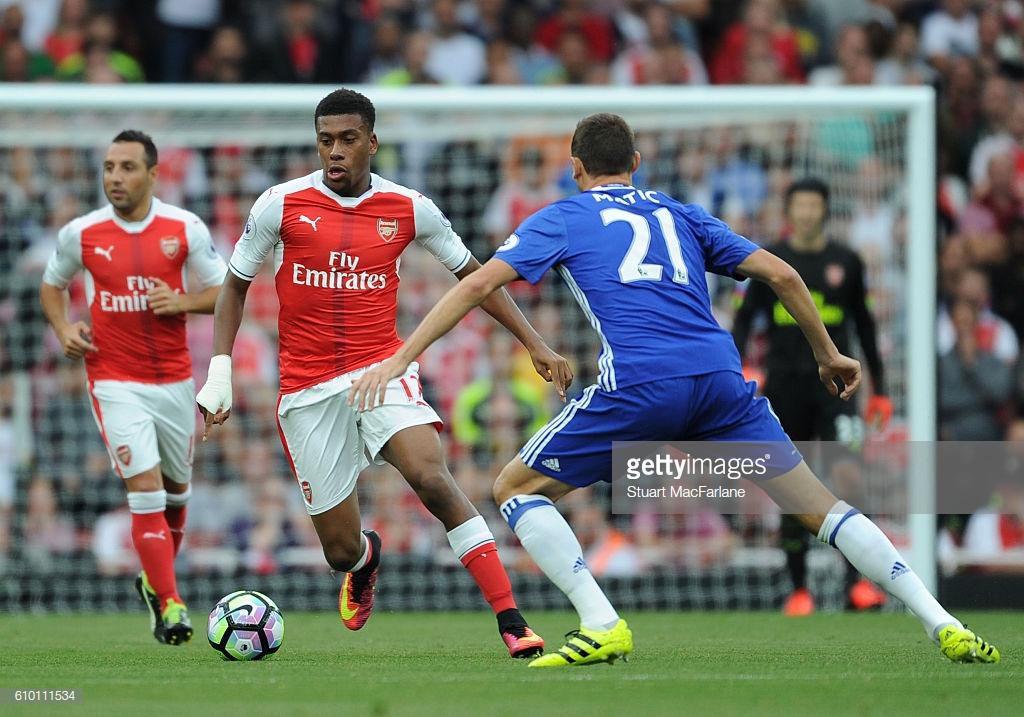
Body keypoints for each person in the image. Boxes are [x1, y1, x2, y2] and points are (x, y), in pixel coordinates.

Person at [349, 113, 1001, 668]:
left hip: (640, 382)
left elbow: (475, 284)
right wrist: (829, 351)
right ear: (636, 162)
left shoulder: (566, 216)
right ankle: (940, 618)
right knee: (822, 508)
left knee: (513, 488)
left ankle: (602, 621)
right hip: (720, 381)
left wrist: (402, 355)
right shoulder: (678, 211)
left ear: (575, 168)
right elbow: (780, 271)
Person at [195, 88, 564, 658]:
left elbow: (476, 278)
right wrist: (219, 372)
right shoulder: (280, 204)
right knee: (339, 550)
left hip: (381, 370)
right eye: (325, 141)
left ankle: (512, 620)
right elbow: (234, 287)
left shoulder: (409, 208)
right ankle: (365, 561)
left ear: (372, 142)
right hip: (307, 389)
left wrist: (534, 343)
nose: (335, 152)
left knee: (432, 477)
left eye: (346, 140)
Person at [40, 129, 227, 645]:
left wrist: (183, 302)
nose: (114, 178)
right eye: (108, 167)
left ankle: (154, 578)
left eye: (126, 167)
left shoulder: (183, 228)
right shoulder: (82, 233)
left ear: (152, 173)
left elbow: (224, 293)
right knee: (144, 490)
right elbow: (52, 284)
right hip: (113, 379)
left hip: (172, 381)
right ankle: (171, 604)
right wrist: (63, 329)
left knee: (176, 496)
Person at [732, 177, 891, 616]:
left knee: (849, 477)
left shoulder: (848, 262)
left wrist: (882, 390)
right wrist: (739, 364)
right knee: (790, 488)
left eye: (812, 205)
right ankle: (799, 589)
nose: (805, 212)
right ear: (789, 211)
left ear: (824, 209)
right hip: (785, 387)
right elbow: (745, 320)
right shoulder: (769, 260)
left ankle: (858, 584)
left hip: (837, 389)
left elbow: (865, 326)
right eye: (798, 205)